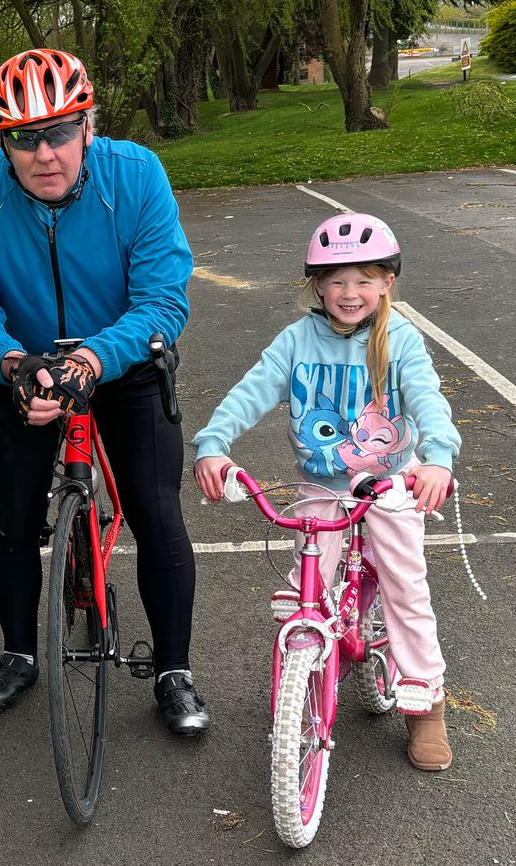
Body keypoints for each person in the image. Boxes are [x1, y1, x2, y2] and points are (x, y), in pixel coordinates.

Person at [0, 47, 205, 735]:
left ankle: (174, 670)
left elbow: (163, 298)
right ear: (2, 142)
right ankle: (18, 651)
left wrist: (93, 359)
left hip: (123, 363)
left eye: (59, 132)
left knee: (156, 512)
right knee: (12, 517)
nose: (44, 154)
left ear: (89, 126)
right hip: (27, 368)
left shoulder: (136, 174)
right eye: (23, 138)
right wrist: (12, 364)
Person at [191, 213, 462, 770]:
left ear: (387, 282)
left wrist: (438, 460)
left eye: (364, 279)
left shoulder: (401, 340)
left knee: (405, 588)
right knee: (308, 581)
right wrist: (214, 442)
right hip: (321, 483)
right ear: (316, 286)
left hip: (391, 482)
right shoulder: (296, 340)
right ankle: (308, 667)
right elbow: (251, 391)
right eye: (336, 280)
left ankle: (426, 703)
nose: (349, 292)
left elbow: (428, 400)